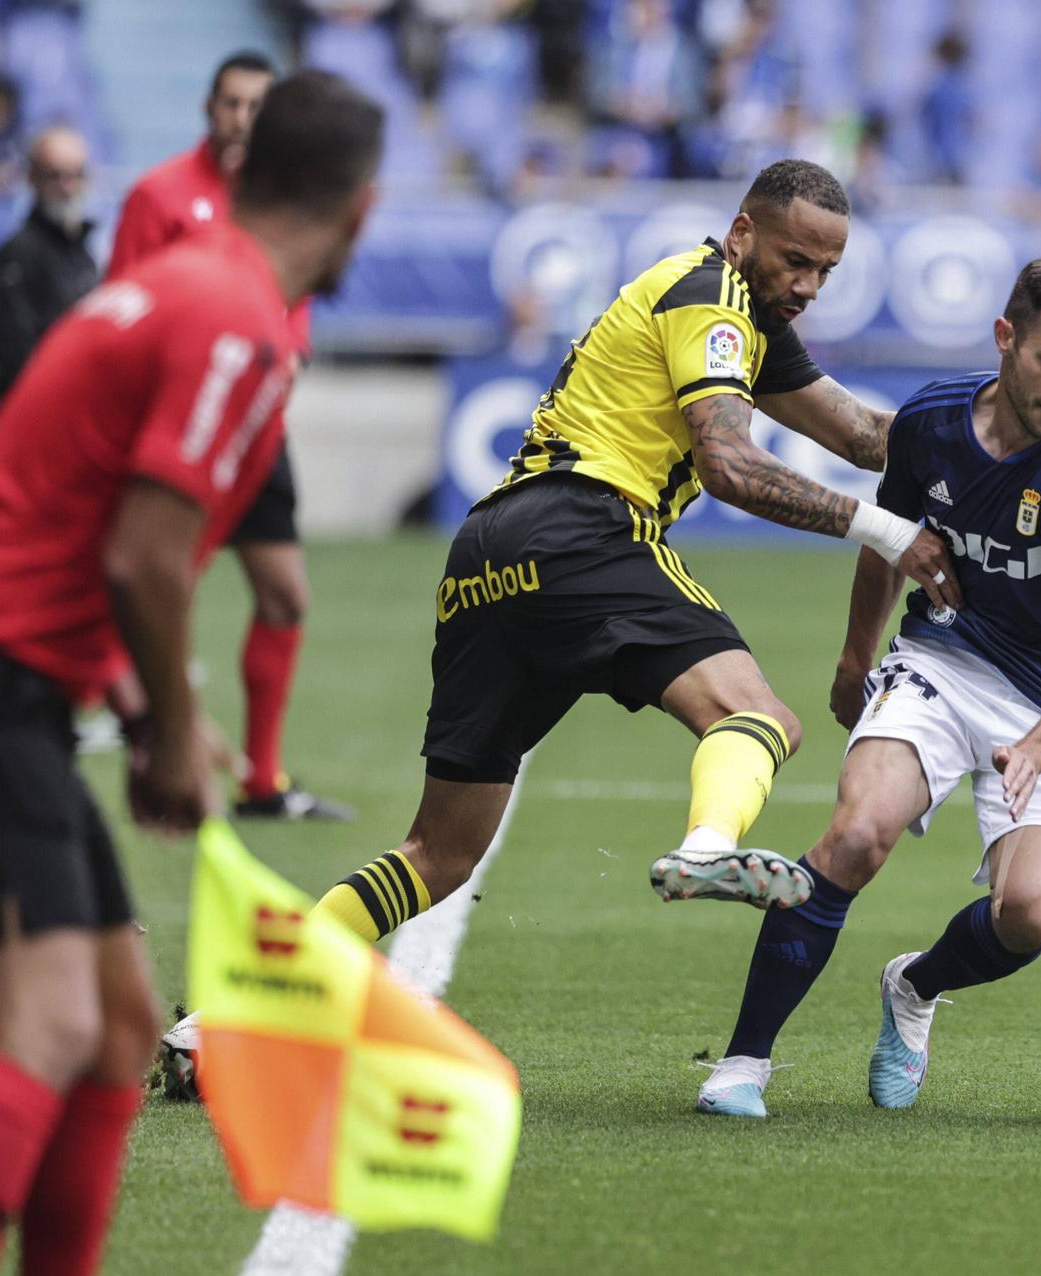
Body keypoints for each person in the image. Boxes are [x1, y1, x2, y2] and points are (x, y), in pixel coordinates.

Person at [0, 71, 383, 1276]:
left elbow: (82, 534)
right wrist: (167, 736)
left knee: (122, 1021)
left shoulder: (173, 290)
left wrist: (146, 706)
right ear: (360, 210)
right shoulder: (238, 320)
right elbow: (143, 553)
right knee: (54, 1021)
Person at [306, 158, 961, 948]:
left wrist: (983, 443)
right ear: (743, 233)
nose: (810, 286)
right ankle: (708, 850)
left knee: (439, 853)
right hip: (582, 529)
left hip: (486, 557)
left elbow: (861, 435)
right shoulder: (712, 294)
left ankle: (230, 1012)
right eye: (796, 261)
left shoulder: (748, 321)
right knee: (758, 715)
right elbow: (731, 468)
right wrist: (893, 534)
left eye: (827, 270)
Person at [695, 254, 1041, 1118]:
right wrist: (856, 658)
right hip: (940, 661)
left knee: (1030, 914)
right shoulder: (931, 423)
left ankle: (915, 986)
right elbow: (890, 544)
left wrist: (1039, 747)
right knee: (859, 835)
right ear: (1006, 339)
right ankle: (743, 1063)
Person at [107, 49, 351, 822]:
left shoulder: (280, 198)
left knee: (284, 594)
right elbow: (127, 299)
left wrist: (294, 347)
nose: (242, 119)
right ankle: (144, 727)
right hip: (181, 432)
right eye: (230, 104)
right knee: (156, 580)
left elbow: (297, 288)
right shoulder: (161, 195)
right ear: (207, 110)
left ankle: (262, 781)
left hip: (257, 432)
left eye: (257, 106)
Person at [0, 125, 99, 400]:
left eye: (76, 175)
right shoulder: (15, 256)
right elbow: (18, 360)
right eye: (55, 176)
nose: (67, 187)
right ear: (33, 178)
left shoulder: (83, 250)